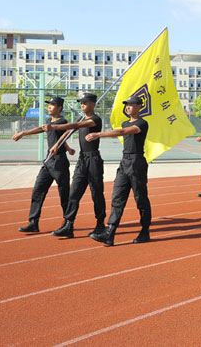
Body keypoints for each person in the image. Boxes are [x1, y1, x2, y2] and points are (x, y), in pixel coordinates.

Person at [87, 95, 151, 246]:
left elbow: (122, 132)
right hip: (124, 162)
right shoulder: (124, 122)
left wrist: (98, 134)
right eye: (127, 104)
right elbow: (122, 130)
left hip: (137, 162)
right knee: (117, 197)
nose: (128, 107)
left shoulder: (142, 123)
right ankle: (110, 232)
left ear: (139, 106)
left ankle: (145, 231)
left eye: (131, 104)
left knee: (141, 199)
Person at [42, 92, 105, 239]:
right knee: (74, 193)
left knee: (96, 193)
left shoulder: (95, 119)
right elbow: (68, 131)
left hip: (93, 160)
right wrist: (57, 144)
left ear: (93, 104)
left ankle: (100, 224)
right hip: (82, 160)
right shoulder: (81, 117)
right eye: (81, 102)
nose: (82, 105)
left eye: (85, 102)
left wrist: (54, 127)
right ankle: (68, 225)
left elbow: (75, 125)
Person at [13, 96, 75, 233]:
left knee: (64, 194)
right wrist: (23, 133)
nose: (49, 107)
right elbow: (42, 130)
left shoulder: (63, 122)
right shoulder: (48, 121)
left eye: (53, 105)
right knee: (38, 190)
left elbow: (66, 133)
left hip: (59, 162)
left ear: (59, 108)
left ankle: (68, 224)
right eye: (49, 104)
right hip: (48, 161)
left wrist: (61, 147)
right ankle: (33, 223)